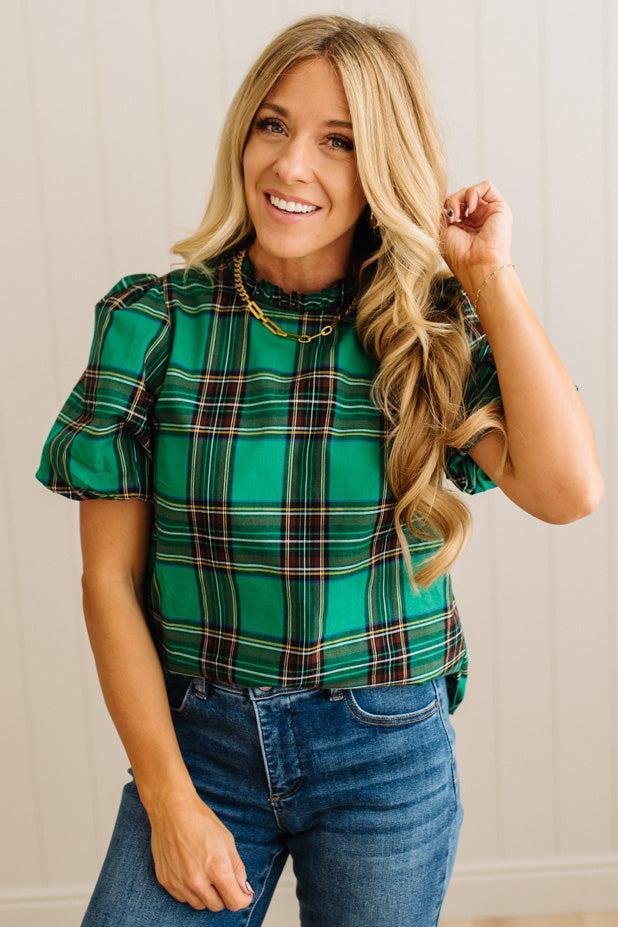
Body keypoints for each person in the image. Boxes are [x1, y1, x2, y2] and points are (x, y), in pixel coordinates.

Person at [34, 13, 603, 927]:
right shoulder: (156, 324)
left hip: (385, 750)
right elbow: (108, 580)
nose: (292, 165)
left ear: (383, 163)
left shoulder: (424, 328)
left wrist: (487, 276)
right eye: (273, 124)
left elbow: (569, 491)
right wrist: (171, 801)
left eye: (339, 140)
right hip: (202, 746)